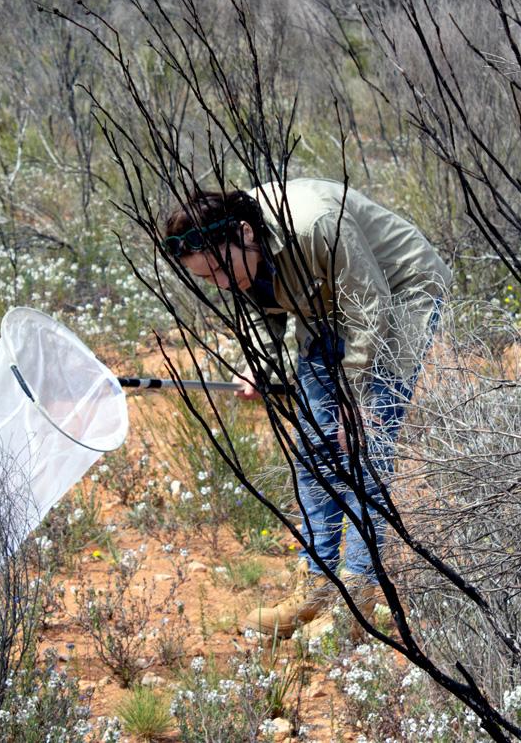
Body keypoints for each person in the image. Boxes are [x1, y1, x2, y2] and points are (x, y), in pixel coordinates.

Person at [163, 178, 450, 637]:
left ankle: (359, 589)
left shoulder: (312, 223)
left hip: (398, 288)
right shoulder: (236, 256)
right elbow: (262, 305)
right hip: (325, 301)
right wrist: (260, 362)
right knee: (314, 447)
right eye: (205, 278)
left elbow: (369, 304)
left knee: (365, 446)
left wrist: (353, 402)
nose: (219, 282)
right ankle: (317, 584)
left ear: (245, 232)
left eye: (219, 268)